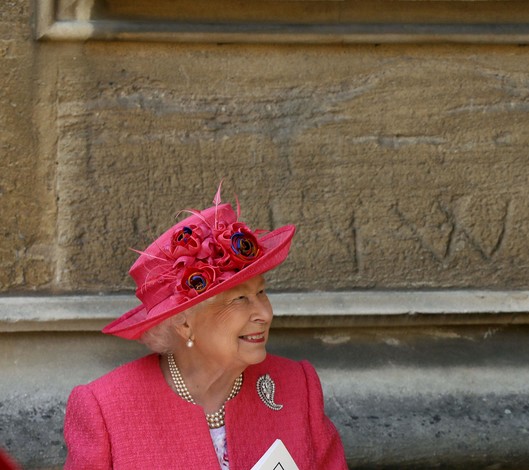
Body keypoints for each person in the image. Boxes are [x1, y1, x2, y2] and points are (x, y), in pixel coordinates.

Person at [64, 186, 348, 469]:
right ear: (185, 322)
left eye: (261, 293)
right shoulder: (105, 408)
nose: (264, 313)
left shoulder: (297, 386)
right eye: (239, 299)